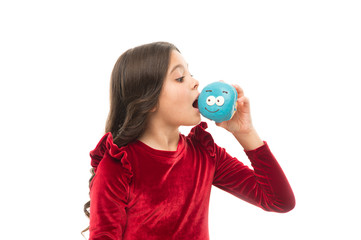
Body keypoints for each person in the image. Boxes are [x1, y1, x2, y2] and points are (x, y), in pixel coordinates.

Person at [83, 41, 295, 240]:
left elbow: (279, 200)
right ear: (148, 100)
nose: (196, 82)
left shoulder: (205, 154)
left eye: (190, 74)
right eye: (180, 78)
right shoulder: (119, 166)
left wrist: (245, 132)